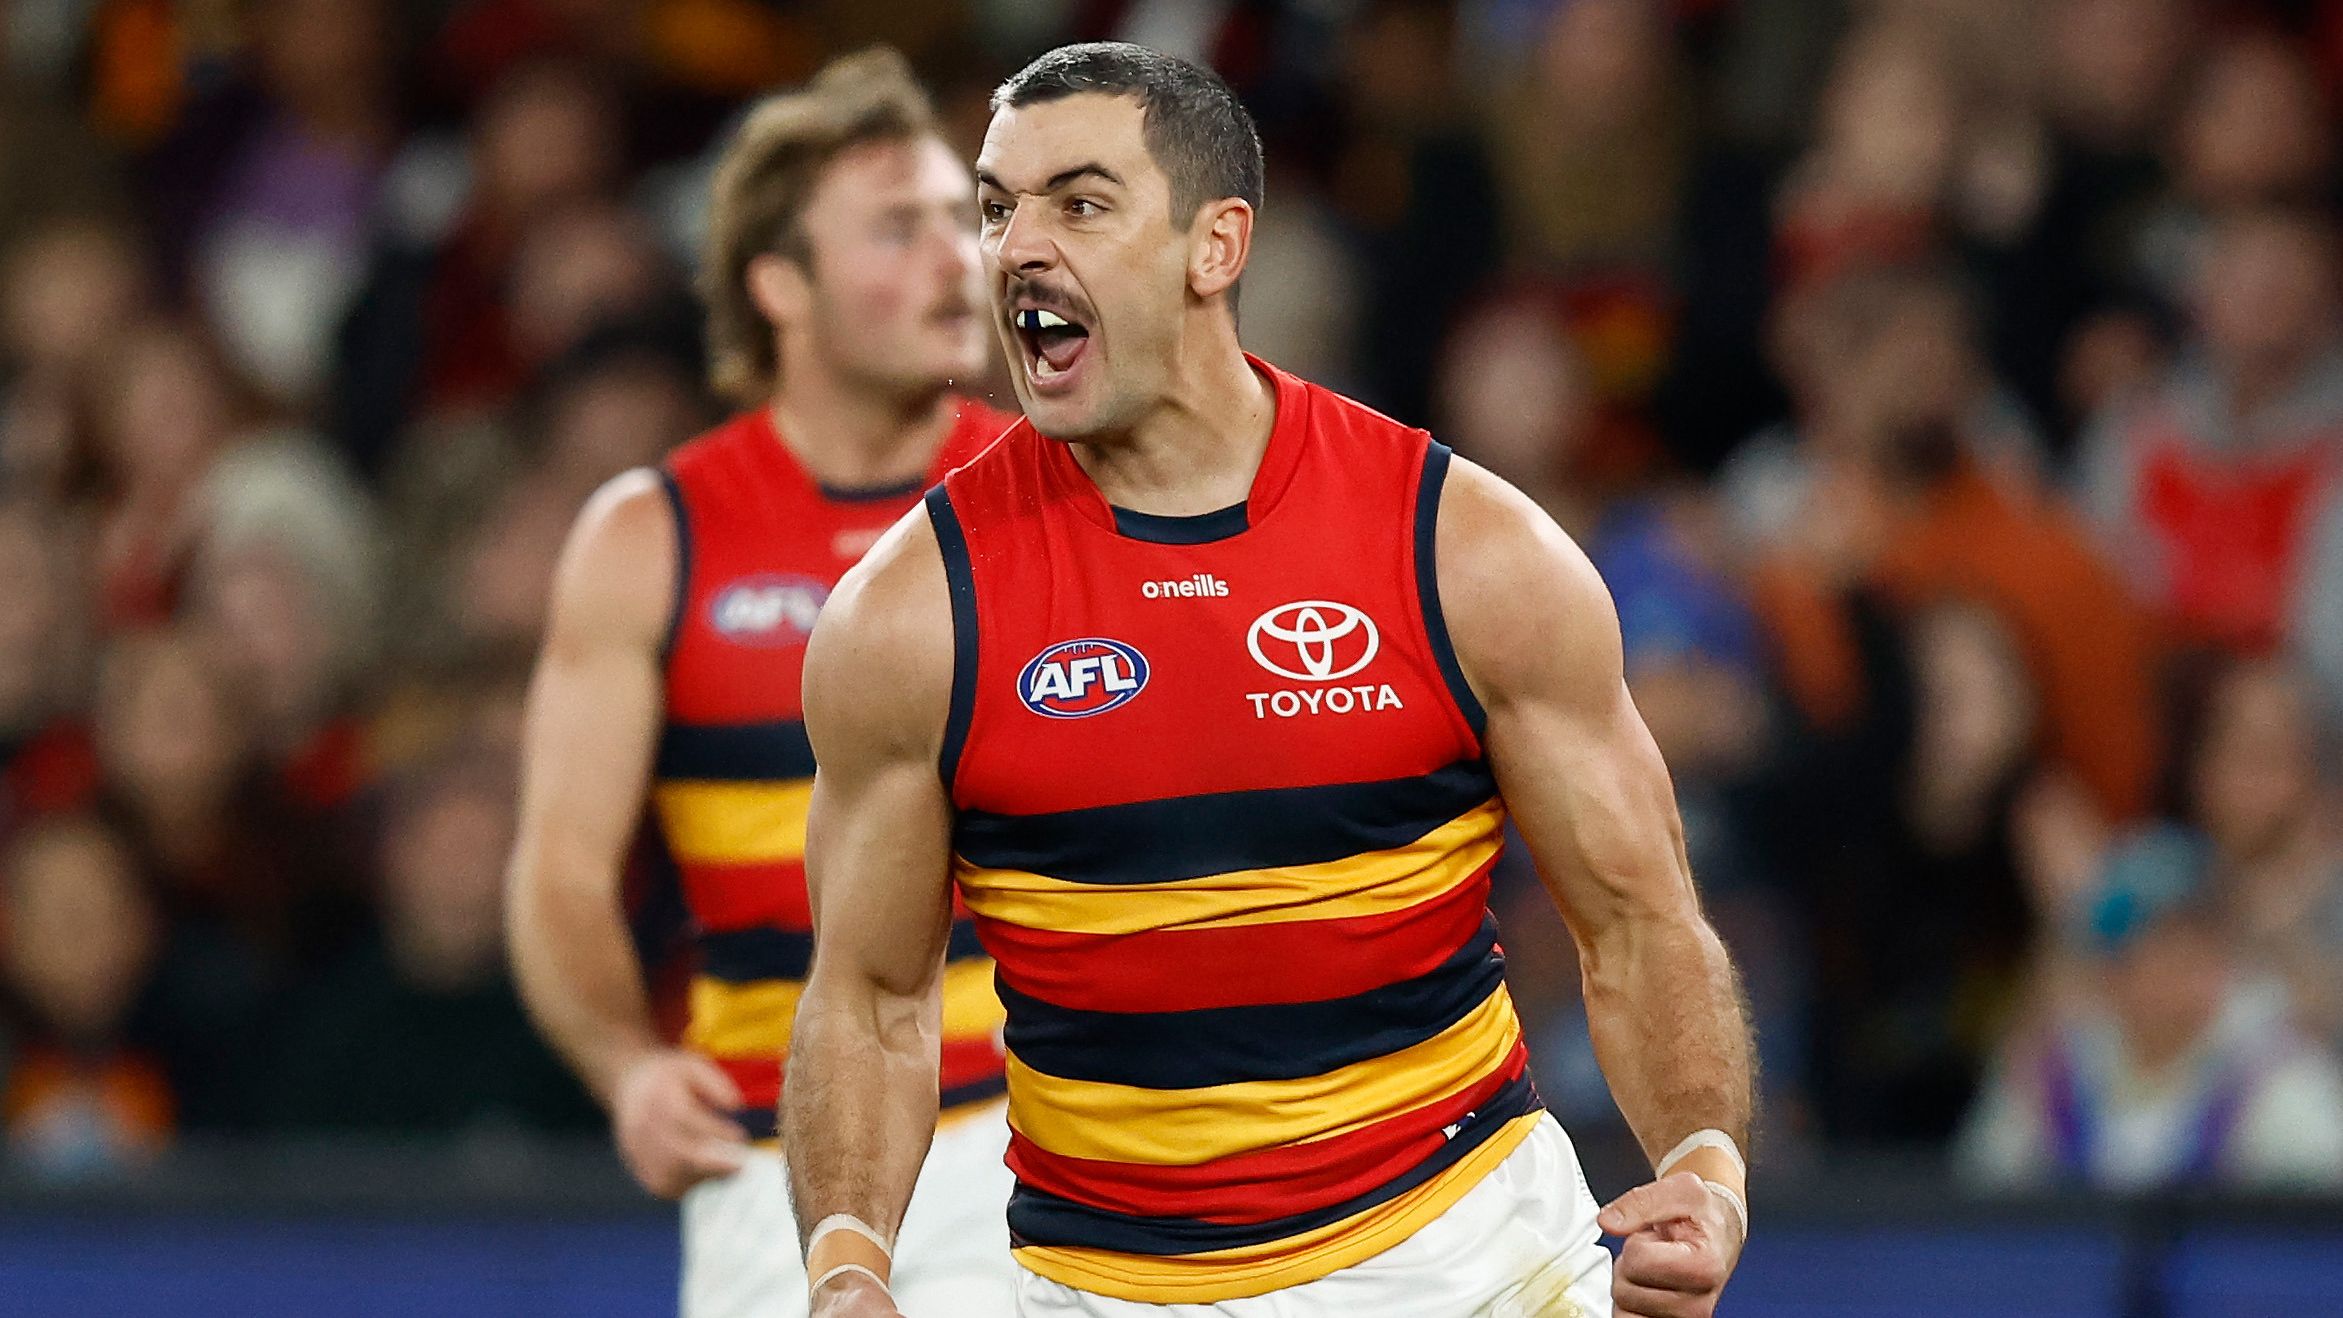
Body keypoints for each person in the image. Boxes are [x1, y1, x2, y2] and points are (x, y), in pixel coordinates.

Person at [785, 43, 1755, 1318]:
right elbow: (869, 996)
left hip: (1472, 1267)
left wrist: (1703, 1163)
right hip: (1105, 1292)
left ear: (1217, 246)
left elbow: (1637, 921)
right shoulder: (911, 618)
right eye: (996, 206)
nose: (1016, 245)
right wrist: (847, 1266)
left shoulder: (1462, 550)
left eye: (1078, 203)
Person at [503, 48, 1019, 1318]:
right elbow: (559, 869)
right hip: (780, 1167)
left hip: (1050, 1142)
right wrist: (626, 1066)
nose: (961, 259)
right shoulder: (652, 537)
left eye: (967, 220)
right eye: (902, 228)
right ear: (778, 283)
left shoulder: (1062, 497)